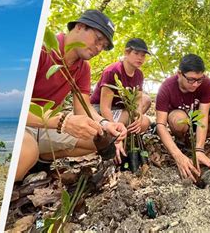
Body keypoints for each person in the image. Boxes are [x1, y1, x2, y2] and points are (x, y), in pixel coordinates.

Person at [16, 10, 127, 182]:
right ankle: (30, 157)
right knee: (26, 152)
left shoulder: (83, 68)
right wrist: (64, 122)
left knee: (98, 139)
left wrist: (106, 124)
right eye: (98, 40)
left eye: (103, 46)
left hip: (48, 126)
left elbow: (83, 107)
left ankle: (43, 158)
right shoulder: (43, 49)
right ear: (79, 26)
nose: (99, 49)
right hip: (28, 122)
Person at [155, 54, 210, 182]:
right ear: (179, 74)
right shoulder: (166, 87)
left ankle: (194, 144)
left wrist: (199, 150)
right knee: (179, 120)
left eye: (199, 80)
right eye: (191, 80)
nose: (195, 85)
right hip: (181, 121)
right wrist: (178, 155)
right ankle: (183, 142)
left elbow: (202, 117)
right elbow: (160, 125)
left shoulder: (205, 84)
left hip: (197, 118)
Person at [91, 38, 152, 134]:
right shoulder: (112, 71)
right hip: (100, 110)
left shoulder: (139, 74)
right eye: (136, 53)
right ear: (126, 53)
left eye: (143, 55)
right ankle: (112, 134)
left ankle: (124, 134)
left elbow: (138, 100)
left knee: (144, 121)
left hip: (120, 108)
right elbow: (105, 107)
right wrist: (112, 126)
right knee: (141, 121)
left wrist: (138, 118)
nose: (140, 58)